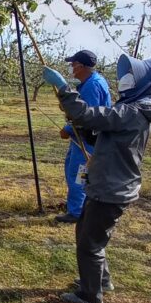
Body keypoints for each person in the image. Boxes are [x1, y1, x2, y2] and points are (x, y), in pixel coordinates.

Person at [42, 53, 151, 303]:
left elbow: (89, 115)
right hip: (108, 184)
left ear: (144, 83)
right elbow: (100, 126)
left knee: (90, 243)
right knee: (89, 234)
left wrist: (64, 90)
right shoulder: (135, 110)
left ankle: (90, 296)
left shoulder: (132, 111)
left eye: (131, 76)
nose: (124, 79)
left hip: (111, 188)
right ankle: (101, 280)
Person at [55, 49, 111, 223]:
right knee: (75, 172)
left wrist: (68, 129)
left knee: (79, 175)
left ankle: (77, 212)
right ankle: (76, 206)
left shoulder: (92, 85)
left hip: (86, 138)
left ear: (80, 66)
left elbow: (88, 116)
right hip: (82, 138)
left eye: (73, 64)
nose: (71, 68)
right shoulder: (92, 81)